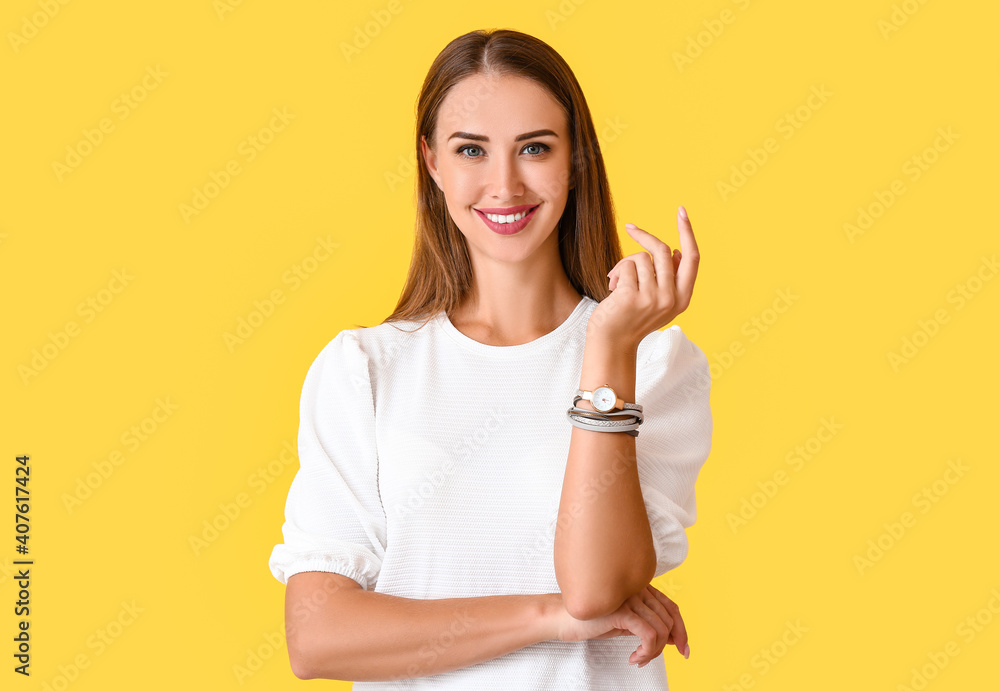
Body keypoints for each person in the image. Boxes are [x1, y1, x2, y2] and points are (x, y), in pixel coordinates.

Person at [267, 28, 712, 689]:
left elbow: (595, 587)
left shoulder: (650, 361)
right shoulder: (363, 370)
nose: (504, 185)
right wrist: (548, 615)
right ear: (432, 163)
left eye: (535, 148)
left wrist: (609, 348)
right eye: (471, 149)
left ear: (575, 160)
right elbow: (318, 637)